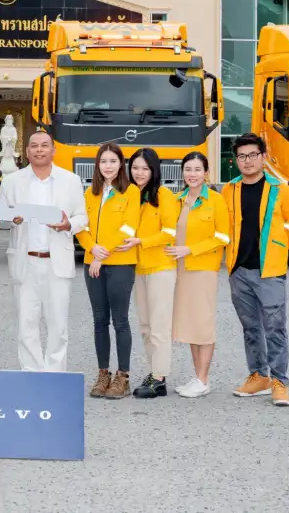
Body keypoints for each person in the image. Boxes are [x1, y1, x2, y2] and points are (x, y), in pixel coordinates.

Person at [221, 133, 289, 407]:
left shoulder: (281, 189)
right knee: (250, 327)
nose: (247, 161)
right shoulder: (229, 190)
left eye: (253, 155)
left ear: (263, 157)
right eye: (242, 156)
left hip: (270, 271)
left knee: (275, 327)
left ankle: (280, 382)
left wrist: (276, 248)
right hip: (238, 269)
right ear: (236, 160)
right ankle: (259, 375)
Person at [0, 130, 87, 372]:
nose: (39, 149)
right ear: (26, 151)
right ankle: (31, 375)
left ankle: (55, 376)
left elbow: (82, 216)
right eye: (34, 145)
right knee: (26, 325)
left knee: (58, 326)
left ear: (53, 150)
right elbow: (0, 219)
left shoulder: (70, 180)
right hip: (25, 261)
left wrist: (69, 224)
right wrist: (10, 219)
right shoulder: (11, 182)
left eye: (44, 145)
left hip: (57, 263)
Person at [76, 142, 141, 399]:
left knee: (120, 320)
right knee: (99, 320)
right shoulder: (89, 193)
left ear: (121, 164)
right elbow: (81, 227)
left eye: (113, 161)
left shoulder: (131, 191)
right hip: (93, 263)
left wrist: (100, 255)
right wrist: (92, 248)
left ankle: (122, 376)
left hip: (120, 263)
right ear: (97, 165)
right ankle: (103, 373)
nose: (108, 166)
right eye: (103, 161)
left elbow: (128, 228)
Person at [114, 148, 179, 398]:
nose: (139, 173)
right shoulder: (129, 195)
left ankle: (159, 378)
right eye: (135, 168)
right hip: (137, 268)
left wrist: (141, 241)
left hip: (160, 267)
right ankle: (154, 372)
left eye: (145, 168)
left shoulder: (164, 195)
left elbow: (169, 233)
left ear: (154, 171)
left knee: (159, 326)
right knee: (145, 325)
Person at [169, 151, 230, 399]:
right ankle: (197, 377)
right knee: (191, 324)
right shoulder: (177, 200)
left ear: (206, 173)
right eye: (188, 169)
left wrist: (190, 249)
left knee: (203, 324)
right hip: (180, 270)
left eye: (197, 169)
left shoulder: (215, 200)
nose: (192, 174)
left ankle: (203, 380)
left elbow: (223, 237)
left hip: (203, 269)